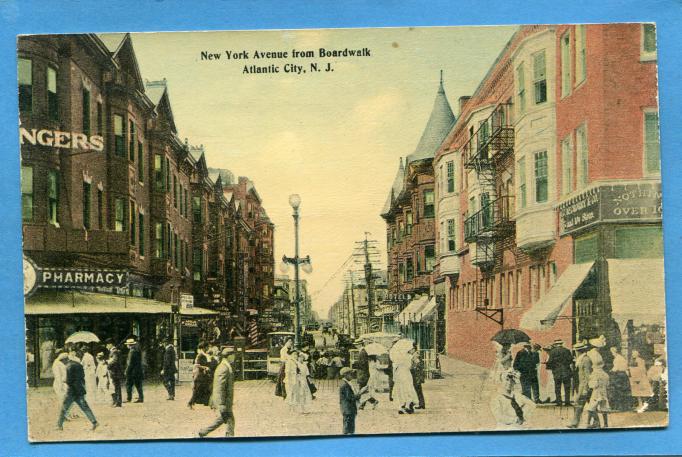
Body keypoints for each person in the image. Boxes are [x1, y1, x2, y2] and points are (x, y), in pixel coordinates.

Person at [56, 346, 98, 431]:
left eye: (62, 362)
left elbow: (69, 380)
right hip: (80, 390)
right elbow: (82, 376)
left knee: (64, 408)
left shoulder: (68, 367)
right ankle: (94, 422)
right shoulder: (78, 364)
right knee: (85, 407)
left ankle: (59, 425)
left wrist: (64, 381)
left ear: (64, 360)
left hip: (71, 391)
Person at [198, 348, 236, 437]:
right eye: (233, 355)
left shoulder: (225, 366)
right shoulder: (224, 368)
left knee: (225, 419)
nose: (234, 357)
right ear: (229, 356)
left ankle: (203, 432)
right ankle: (229, 438)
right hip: (223, 401)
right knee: (229, 419)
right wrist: (221, 404)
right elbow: (219, 387)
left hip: (225, 401)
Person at [567, 341, 593, 428]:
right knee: (589, 405)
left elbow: (588, 375)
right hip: (580, 385)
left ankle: (575, 423)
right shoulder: (580, 359)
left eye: (575, 351)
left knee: (579, 404)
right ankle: (596, 422)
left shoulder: (585, 360)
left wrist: (586, 388)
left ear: (579, 351)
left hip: (584, 386)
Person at [339, 367, 368, 435]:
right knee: (348, 428)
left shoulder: (346, 383)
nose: (352, 375)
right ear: (345, 375)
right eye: (350, 374)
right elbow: (350, 397)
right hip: (348, 409)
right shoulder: (345, 385)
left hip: (348, 409)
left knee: (349, 426)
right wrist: (361, 392)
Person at [546, 339, 574, 406]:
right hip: (566, 371)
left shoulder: (552, 352)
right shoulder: (567, 350)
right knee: (567, 387)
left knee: (557, 387)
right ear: (561, 344)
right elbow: (570, 360)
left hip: (556, 372)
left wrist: (552, 368)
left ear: (555, 344)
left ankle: (559, 402)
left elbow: (550, 362)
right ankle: (567, 402)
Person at [393, 348, 419, 414]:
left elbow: (394, 368)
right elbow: (412, 366)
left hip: (399, 374)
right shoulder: (409, 357)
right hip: (406, 374)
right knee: (408, 389)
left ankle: (401, 407)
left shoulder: (397, 358)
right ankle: (408, 405)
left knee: (400, 390)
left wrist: (394, 377)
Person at [585, 360, 610, 429]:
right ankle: (605, 424)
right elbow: (608, 384)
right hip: (604, 392)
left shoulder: (594, 374)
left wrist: (589, 384)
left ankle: (592, 423)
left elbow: (593, 385)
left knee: (591, 408)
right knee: (604, 408)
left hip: (596, 392)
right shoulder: (605, 374)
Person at [608, 346, 632, 411]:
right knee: (623, 390)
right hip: (624, 375)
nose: (612, 354)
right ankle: (624, 407)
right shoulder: (621, 357)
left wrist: (610, 371)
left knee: (619, 390)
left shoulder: (617, 359)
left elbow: (615, 368)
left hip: (620, 375)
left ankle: (619, 407)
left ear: (614, 352)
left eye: (612, 352)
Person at [188, 342, 212, 408]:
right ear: (204, 347)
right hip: (199, 375)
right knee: (197, 389)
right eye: (207, 347)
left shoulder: (204, 354)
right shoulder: (200, 355)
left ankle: (206, 402)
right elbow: (197, 365)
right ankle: (190, 402)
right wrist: (205, 367)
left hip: (203, 374)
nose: (208, 348)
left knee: (203, 388)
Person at [125, 338, 144, 403]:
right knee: (138, 385)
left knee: (128, 384)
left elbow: (130, 363)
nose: (127, 346)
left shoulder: (131, 352)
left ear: (129, 345)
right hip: (138, 370)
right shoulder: (137, 350)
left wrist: (126, 371)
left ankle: (129, 398)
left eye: (127, 344)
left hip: (132, 371)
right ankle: (141, 398)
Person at [106, 339, 123, 407]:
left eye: (107, 345)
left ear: (110, 344)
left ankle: (118, 402)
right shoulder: (113, 351)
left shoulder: (114, 351)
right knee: (115, 386)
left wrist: (108, 365)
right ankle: (116, 401)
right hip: (114, 371)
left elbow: (115, 361)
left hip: (115, 371)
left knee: (116, 387)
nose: (106, 346)